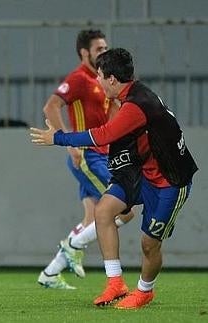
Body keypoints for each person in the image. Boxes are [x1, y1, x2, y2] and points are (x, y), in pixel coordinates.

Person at [30, 47, 198, 309]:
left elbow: (103, 136)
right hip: (143, 176)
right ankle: (115, 284)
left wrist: (58, 138)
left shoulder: (136, 105)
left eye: (99, 76)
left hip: (169, 183)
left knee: (148, 245)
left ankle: (144, 291)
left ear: (111, 79)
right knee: (104, 211)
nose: (97, 81)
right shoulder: (131, 95)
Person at [37, 29, 133, 289]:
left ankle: (50, 273)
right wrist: (69, 144)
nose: (104, 52)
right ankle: (73, 246)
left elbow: (109, 115)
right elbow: (50, 106)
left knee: (91, 217)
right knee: (126, 208)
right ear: (84, 52)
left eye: (105, 48)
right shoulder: (79, 78)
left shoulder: (101, 80)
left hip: (102, 153)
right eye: (99, 49)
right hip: (89, 156)